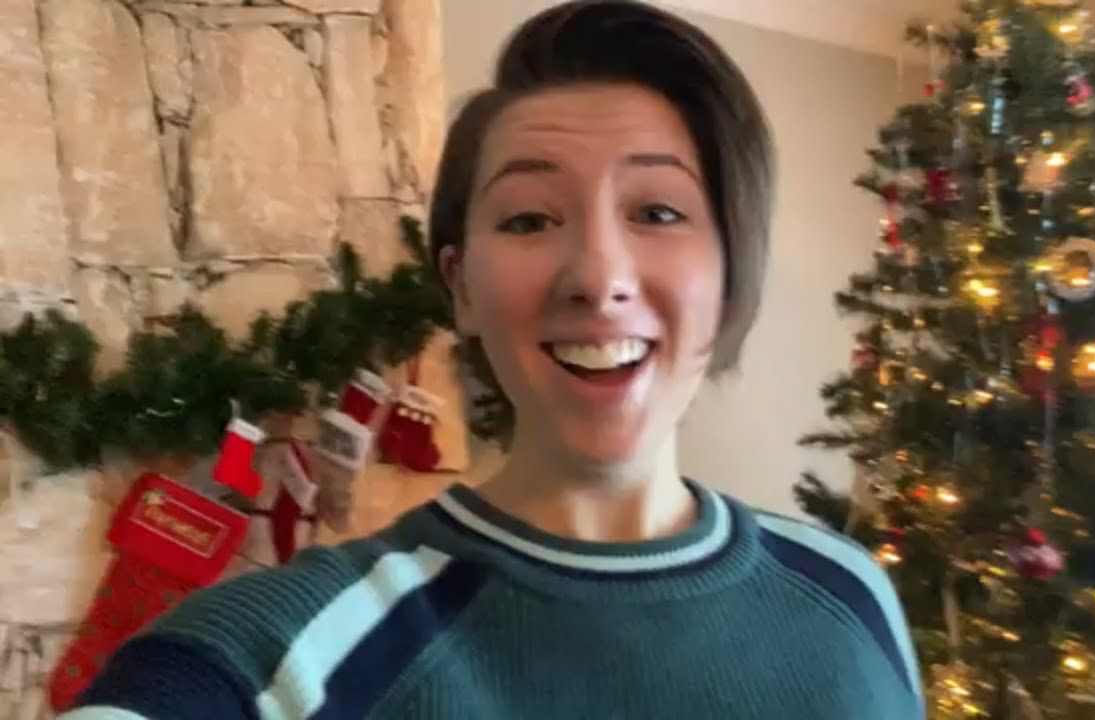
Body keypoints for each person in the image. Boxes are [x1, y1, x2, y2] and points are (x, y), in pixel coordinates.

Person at [60, 1, 922, 718]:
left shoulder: (850, 594)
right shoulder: (287, 654)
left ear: (732, 272)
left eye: (658, 212)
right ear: (461, 285)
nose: (598, 278)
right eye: (529, 219)